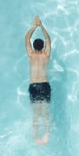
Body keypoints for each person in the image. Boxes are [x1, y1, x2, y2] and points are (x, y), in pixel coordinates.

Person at [25, 16, 51, 145]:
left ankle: (36, 137)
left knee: (36, 113)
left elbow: (26, 39)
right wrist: (42, 26)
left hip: (34, 85)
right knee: (45, 112)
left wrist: (35, 26)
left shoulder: (31, 55)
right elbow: (48, 39)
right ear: (43, 47)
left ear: (34, 47)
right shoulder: (46, 55)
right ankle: (46, 134)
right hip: (44, 85)